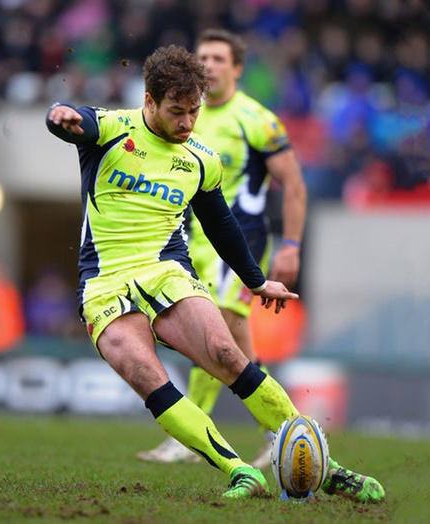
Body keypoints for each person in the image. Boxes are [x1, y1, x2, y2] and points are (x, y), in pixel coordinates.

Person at [46, 44, 384, 502]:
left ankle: (328, 467)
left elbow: (219, 223)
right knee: (148, 375)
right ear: (149, 100)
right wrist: (59, 116)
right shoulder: (110, 129)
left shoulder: (201, 159)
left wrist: (254, 278)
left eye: (194, 112)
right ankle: (237, 469)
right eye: (176, 112)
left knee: (227, 353)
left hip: (167, 271)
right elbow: (73, 120)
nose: (187, 123)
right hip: (104, 282)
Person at [137, 28, 307, 468]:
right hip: (194, 241)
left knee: (227, 320)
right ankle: (274, 430)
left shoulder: (257, 120)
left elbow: (293, 184)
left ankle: (206, 436)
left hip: (243, 236)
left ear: (237, 68)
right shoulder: (187, 114)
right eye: (203, 57)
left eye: (218, 58)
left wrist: (291, 245)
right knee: (214, 329)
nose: (209, 64)